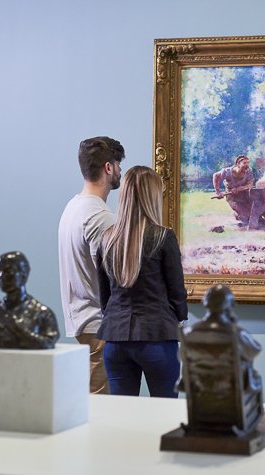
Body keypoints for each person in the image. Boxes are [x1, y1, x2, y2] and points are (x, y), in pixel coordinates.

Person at [97, 166, 188, 397]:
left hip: (115, 340)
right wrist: (177, 318)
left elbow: (104, 297)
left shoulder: (107, 239)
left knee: (122, 419)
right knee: (166, 416)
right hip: (156, 337)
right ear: (153, 197)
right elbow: (177, 293)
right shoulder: (163, 237)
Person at [58, 136, 123, 394]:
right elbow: (116, 275)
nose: (120, 170)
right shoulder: (99, 216)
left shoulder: (73, 207)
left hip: (82, 318)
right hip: (99, 323)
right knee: (101, 406)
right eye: (118, 164)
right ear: (108, 168)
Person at [0, 251, 60, 349]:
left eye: (8, 270)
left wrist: (18, 330)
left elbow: (47, 342)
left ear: (24, 275)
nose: (1, 275)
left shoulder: (43, 314)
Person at [213, 155, 265, 227]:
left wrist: (240, 188)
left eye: (248, 163)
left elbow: (250, 184)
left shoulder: (248, 171)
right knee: (246, 217)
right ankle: (238, 214)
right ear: (238, 164)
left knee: (255, 211)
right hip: (232, 198)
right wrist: (218, 192)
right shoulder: (227, 172)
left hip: (245, 195)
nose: (247, 165)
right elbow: (215, 176)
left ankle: (259, 214)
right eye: (244, 163)